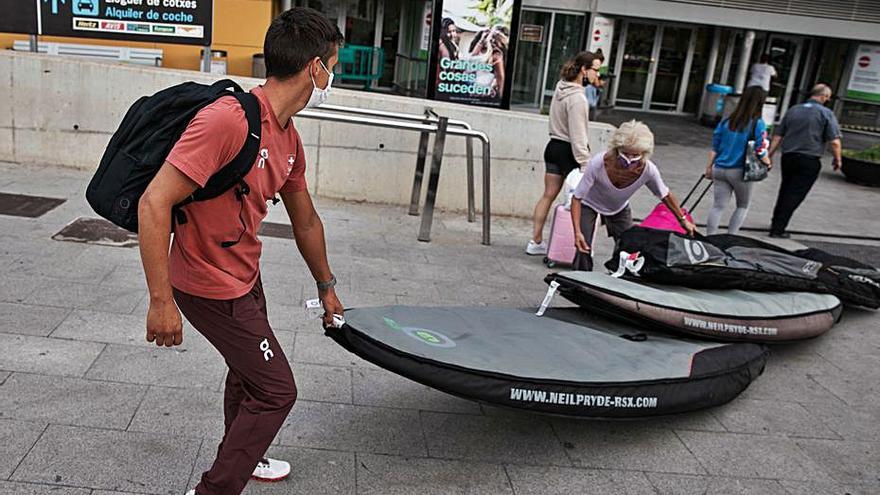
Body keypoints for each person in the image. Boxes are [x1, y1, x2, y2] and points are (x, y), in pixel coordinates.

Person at [137, 8, 345, 494]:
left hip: (245, 276)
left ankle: (245, 453)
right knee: (276, 391)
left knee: (248, 375)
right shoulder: (227, 121)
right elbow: (155, 201)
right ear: (315, 67)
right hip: (206, 284)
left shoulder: (288, 136)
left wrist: (327, 286)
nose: (332, 75)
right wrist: (160, 301)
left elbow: (306, 219)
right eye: (332, 65)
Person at [570, 120, 696, 270]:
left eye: (635, 155)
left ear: (643, 154)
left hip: (619, 208)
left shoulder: (648, 170)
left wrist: (682, 220)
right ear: (617, 149)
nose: (629, 160)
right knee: (583, 247)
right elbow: (577, 198)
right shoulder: (599, 163)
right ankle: (581, 280)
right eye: (625, 154)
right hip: (589, 204)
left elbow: (665, 195)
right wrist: (577, 232)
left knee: (630, 247)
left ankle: (619, 277)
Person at [526, 51, 596, 256]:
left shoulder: (560, 87)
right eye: (595, 69)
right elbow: (578, 134)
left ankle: (535, 241)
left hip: (553, 146)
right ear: (584, 70)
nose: (596, 75)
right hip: (570, 151)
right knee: (578, 201)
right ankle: (575, 248)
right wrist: (585, 163)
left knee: (548, 195)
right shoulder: (578, 98)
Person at [767, 83, 842, 238]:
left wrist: (770, 155)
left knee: (785, 189)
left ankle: (776, 221)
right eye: (827, 98)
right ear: (824, 96)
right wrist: (837, 159)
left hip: (788, 157)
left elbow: (777, 136)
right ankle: (778, 228)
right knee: (795, 193)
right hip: (809, 158)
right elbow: (834, 141)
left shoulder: (793, 110)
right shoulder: (826, 113)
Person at [704, 86, 771, 235]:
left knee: (718, 206)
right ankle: (731, 237)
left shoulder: (726, 121)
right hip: (740, 171)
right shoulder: (757, 123)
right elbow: (760, 149)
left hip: (719, 169)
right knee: (742, 205)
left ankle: (709, 238)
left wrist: (709, 168)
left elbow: (714, 147)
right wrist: (767, 162)